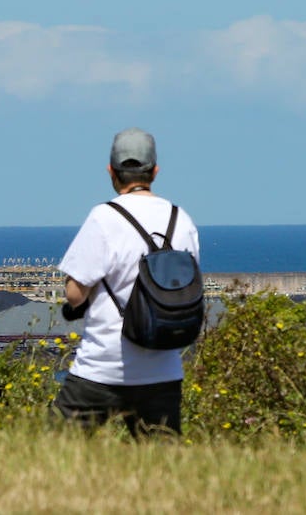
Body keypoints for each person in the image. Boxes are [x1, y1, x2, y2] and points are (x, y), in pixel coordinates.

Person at [53, 128, 200, 436]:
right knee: (160, 471)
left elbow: (75, 293)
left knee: (59, 456)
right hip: (163, 370)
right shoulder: (181, 220)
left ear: (111, 171)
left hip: (103, 366)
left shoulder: (104, 217)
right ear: (155, 171)